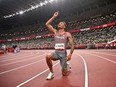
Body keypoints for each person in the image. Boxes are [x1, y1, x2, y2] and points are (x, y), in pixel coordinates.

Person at [45, 12, 74, 80]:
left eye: (61, 23)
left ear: (64, 26)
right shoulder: (55, 32)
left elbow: (72, 45)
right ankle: (51, 73)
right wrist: (54, 16)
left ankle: (67, 66)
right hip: (56, 53)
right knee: (47, 56)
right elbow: (47, 24)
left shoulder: (67, 34)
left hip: (63, 55)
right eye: (59, 23)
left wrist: (70, 54)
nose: (59, 24)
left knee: (64, 74)